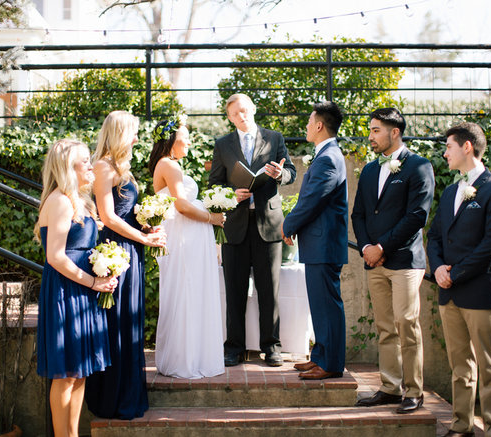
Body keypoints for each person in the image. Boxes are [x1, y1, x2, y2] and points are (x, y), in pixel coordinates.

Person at [427, 122, 491, 437]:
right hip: (448, 294)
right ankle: (461, 425)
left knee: (490, 368)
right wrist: (437, 269)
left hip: (479, 293)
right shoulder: (450, 190)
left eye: (449, 146)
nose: (445, 152)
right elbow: (435, 236)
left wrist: (455, 273)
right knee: (460, 366)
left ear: (467, 147)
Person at [351, 108, 435, 413]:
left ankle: (414, 391)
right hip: (374, 262)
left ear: (394, 132)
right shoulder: (371, 170)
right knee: (385, 327)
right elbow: (358, 213)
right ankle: (389, 387)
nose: (370, 136)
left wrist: (383, 246)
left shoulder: (419, 167)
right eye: (371, 130)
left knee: (406, 324)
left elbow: (417, 216)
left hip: (405, 261)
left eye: (376, 130)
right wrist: (366, 248)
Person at [85, 111, 166, 420]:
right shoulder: (104, 166)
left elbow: (128, 213)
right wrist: (143, 240)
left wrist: (148, 228)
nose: (136, 138)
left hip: (132, 247)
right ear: (119, 134)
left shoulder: (123, 167)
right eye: (132, 132)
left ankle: (129, 394)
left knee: (130, 321)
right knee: (116, 322)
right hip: (115, 251)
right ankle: (112, 398)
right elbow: (107, 217)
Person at [35, 139, 118, 437]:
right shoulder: (59, 201)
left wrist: (106, 266)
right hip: (65, 295)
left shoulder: (80, 200)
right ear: (69, 167)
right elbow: (55, 257)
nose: (91, 165)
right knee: (66, 376)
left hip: (83, 293)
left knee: (81, 373)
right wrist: (95, 281)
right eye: (85, 160)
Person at [209, 93, 296, 367]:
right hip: (234, 225)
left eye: (244, 111)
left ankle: (272, 346)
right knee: (234, 290)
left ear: (253, 109)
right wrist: (230, 195)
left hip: (268, 225)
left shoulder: (275, 138)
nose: (241, 116)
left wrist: (280, 175)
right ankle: (234, 347)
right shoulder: (222, 144)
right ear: (229, 117)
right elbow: (214, 184)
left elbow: (290, 171)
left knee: (269, 290)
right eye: (235, 114)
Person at [148, 117, 226, 379]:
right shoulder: (169, 165)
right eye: (185, 136)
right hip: (184, 239)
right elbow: (181, 205)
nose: (190, 141)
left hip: (187, 238)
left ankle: (190, 354)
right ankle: (186, 359)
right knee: (187, 292)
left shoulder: (169, 164)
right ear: (171, 140)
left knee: (188, 292)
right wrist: (211, 218)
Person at [282, 101, 348, 380]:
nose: (306, 127)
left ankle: (331, 364)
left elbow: (312, 200)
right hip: (318, 244)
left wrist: (289, 223)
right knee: (319, 305)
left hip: (324, 245)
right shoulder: (326, 155)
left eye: (309, 122)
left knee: (327, 305)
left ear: (320, 125)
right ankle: (320, 356)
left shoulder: (329, 158)